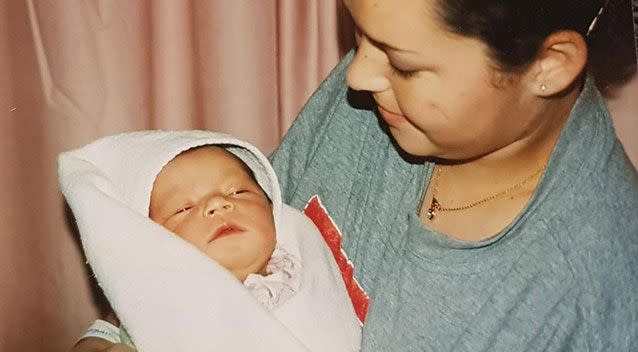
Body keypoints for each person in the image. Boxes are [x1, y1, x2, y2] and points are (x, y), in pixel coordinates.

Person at [73, 0, 638, 351]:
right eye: (359, 36)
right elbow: (216, 257)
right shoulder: (389, 99)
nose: (359, 75)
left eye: (403, 63)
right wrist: (109, 339)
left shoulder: (586, 294)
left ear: (549, 65)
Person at [61, 131, 361, 352]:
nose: (217, 204)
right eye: (184, 208)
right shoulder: (155, 310)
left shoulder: (305, 269)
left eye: (238, 192)